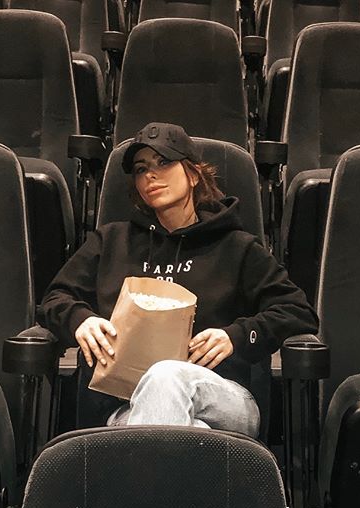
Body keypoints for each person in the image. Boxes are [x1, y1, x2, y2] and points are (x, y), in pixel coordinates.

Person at [39, 122, 318, 437]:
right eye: (141, 168)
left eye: (163, 162)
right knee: (189, 430)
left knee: (166, 374)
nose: (150, 175)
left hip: (224, 400)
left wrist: (237, 336)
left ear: (194, 174)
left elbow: (298, 312)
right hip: (125, 406)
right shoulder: (110, 242)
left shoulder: (237, 247)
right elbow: (54, 299)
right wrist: (80, 320)